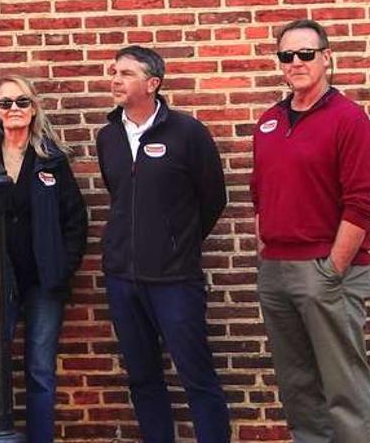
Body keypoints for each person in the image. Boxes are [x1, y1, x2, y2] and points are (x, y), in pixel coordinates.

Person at [253, 20, 370, 443]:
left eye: (306, 54)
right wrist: (266, 251)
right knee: (296, 385)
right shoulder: (269, 121)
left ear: (327, 57)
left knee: (344, 384)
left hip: (326, 269)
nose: (296, 63)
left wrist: (333, 268)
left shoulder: (349, 119)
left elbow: (362, 201)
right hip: (277, 270)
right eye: (287, 56)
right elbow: (260, 194)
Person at [93, 46, 230, 443]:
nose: (116, 79)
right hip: (122, 279)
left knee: (197, 377)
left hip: (174, 281)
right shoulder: (109, 137)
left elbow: (212, 199)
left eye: (127, 73)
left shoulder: (188, 133)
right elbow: (119, 196)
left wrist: (176, 243)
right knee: (143, 378)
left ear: (152, 84)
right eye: (114, 71)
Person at [0, 74, 87, 443]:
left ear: (33, 109)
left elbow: (76, 220)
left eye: (22, 102)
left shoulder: (51, 159)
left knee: (40, 370)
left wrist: (62, 269)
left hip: (44, 282)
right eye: (5, 103)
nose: (14, 109)